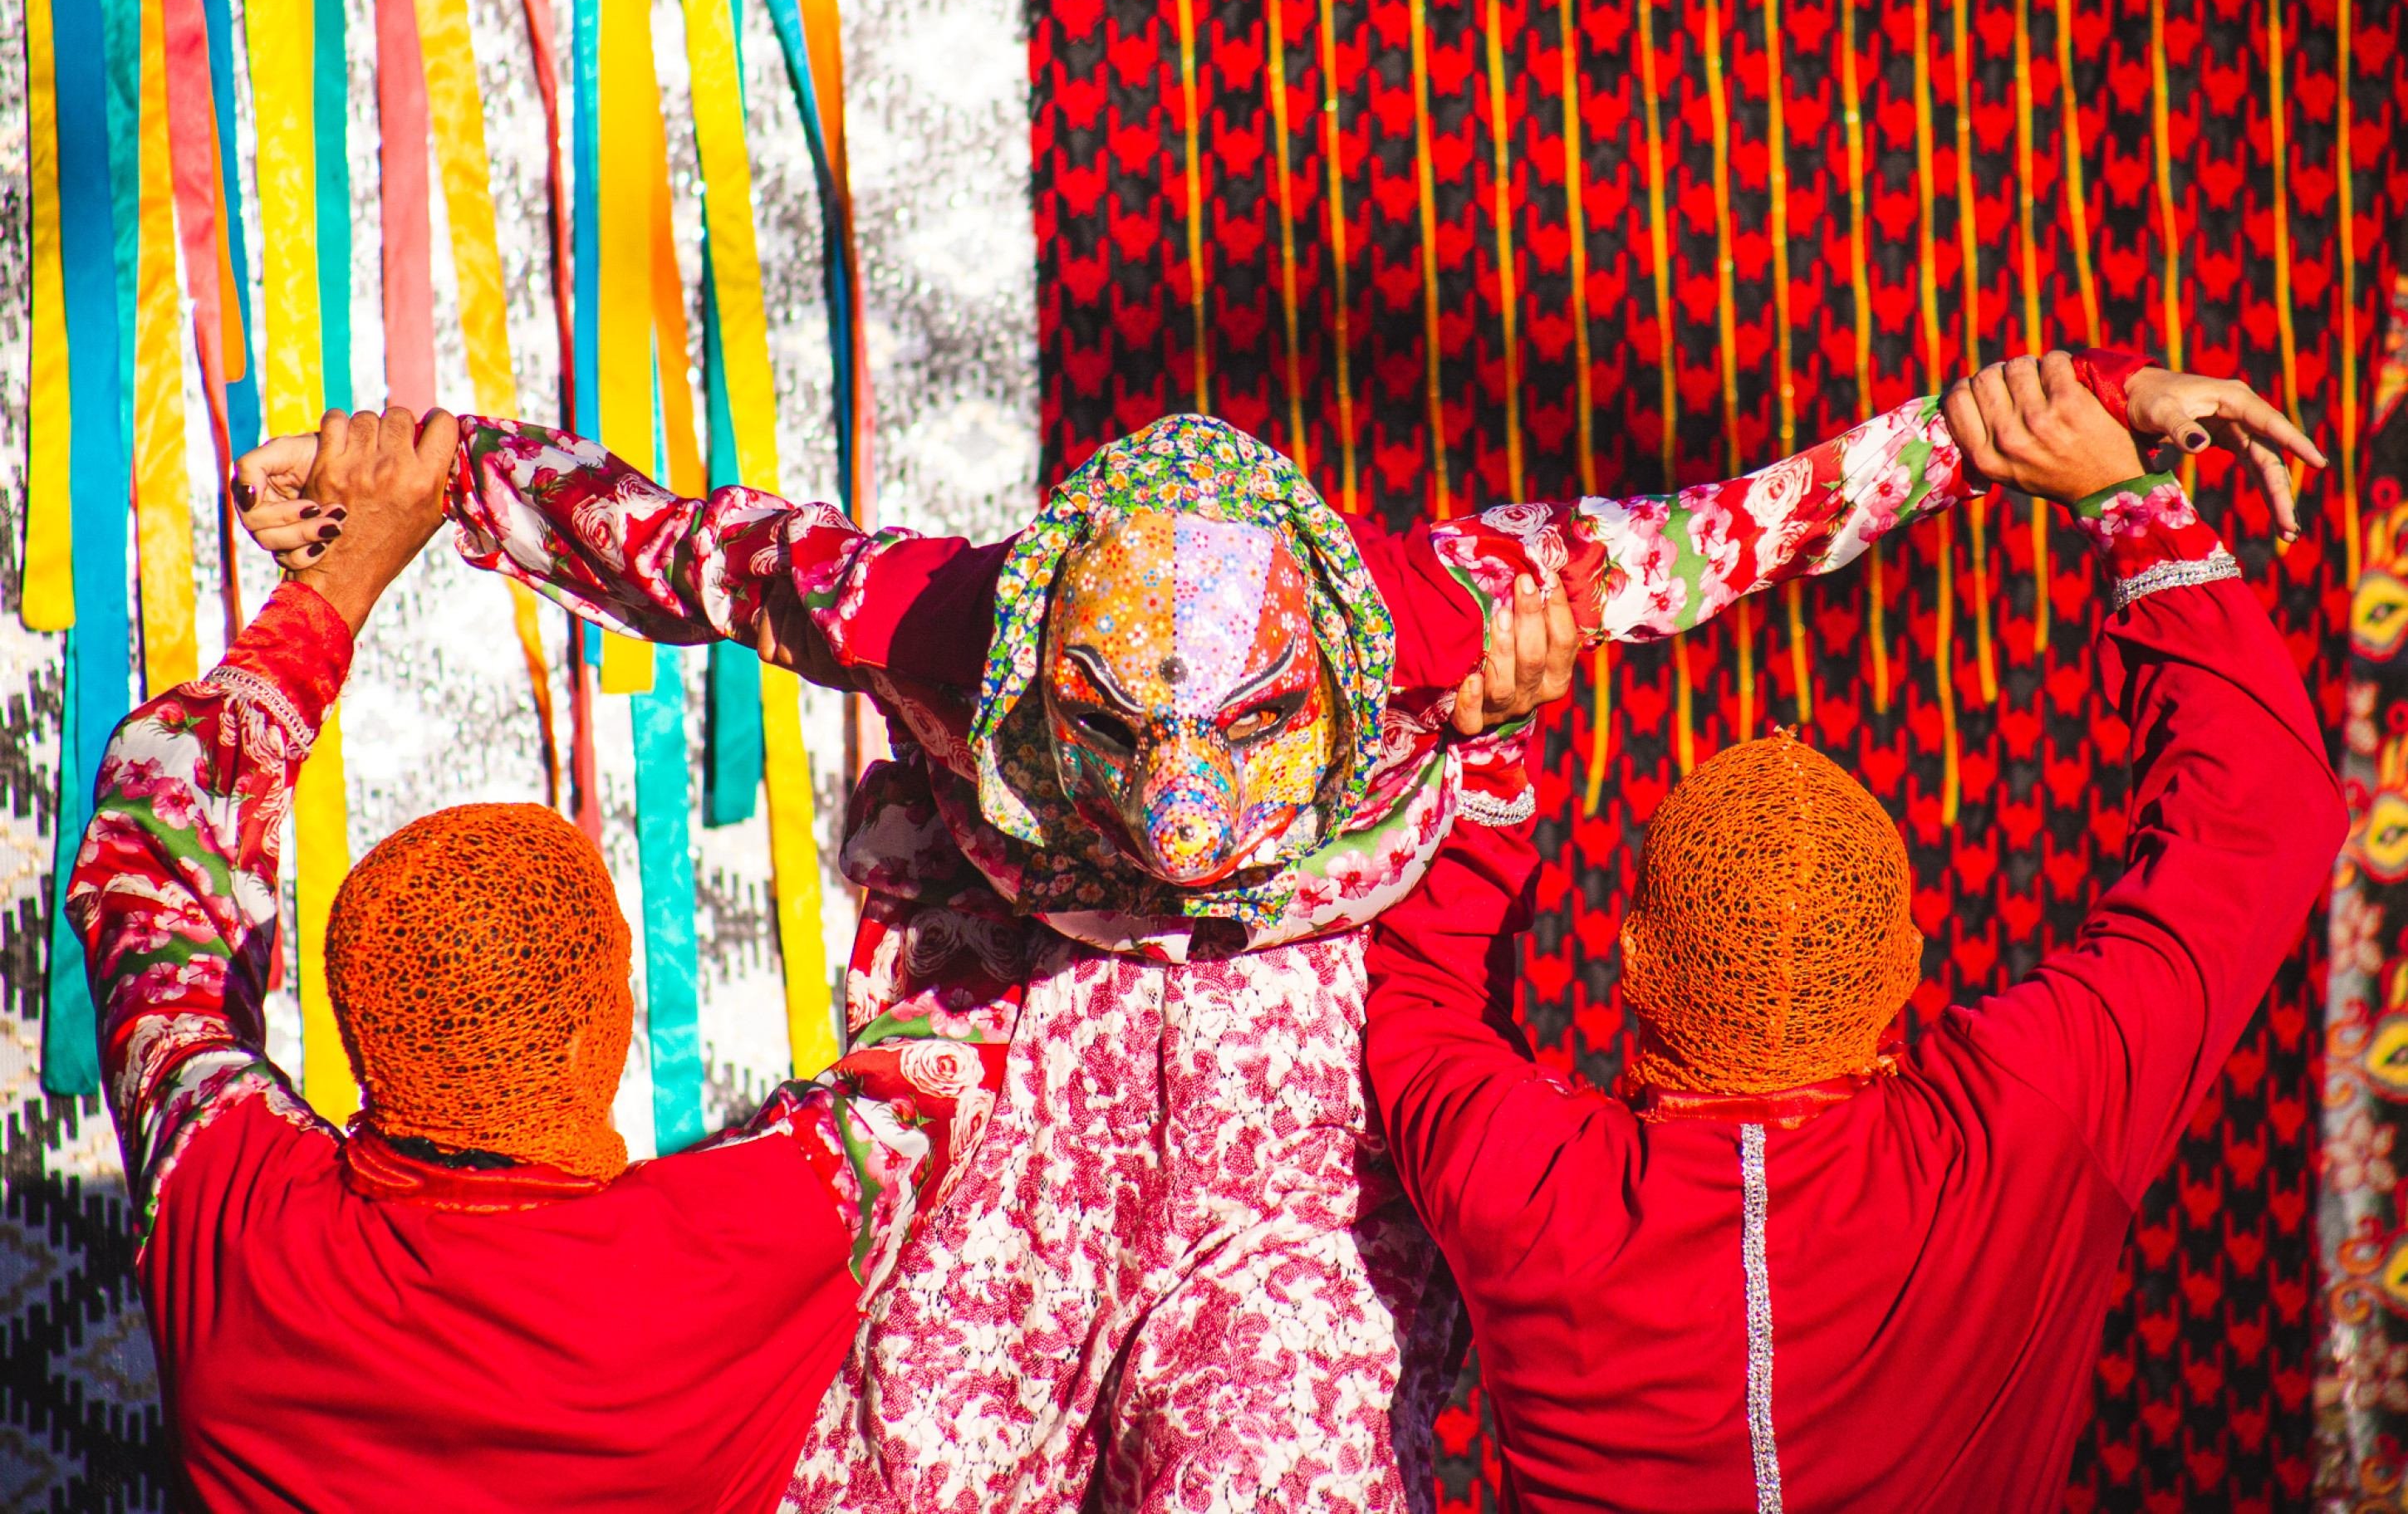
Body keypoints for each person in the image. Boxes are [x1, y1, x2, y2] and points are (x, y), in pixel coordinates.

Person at [230, 353, 2304, 1510]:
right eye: (1121, 766)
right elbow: (653, 539)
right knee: (919, 1477)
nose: (1189, 836)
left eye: (1247, 761)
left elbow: (1763, 517)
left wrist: (2063, 415)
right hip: (1016, 1078)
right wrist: (405, 475)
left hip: (1300, 1146)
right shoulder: (925, 617)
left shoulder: (1443, 612)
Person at [1361, 355, 2345, 1512]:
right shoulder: (2024, 1127)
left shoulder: (1517, 1182)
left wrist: (1488, 755)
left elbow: (1421, 990)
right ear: (1906, 973)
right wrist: (2129, 502)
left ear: (1628, 960)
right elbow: (2261, 821)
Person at [72, 409, 993, 1512]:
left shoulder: (230, 1212)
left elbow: (152, 845)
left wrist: (335, 587)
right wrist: (471, 473)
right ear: (602, 1027)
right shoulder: (753, 1239)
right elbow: (975, 970)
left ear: (360, 1018)